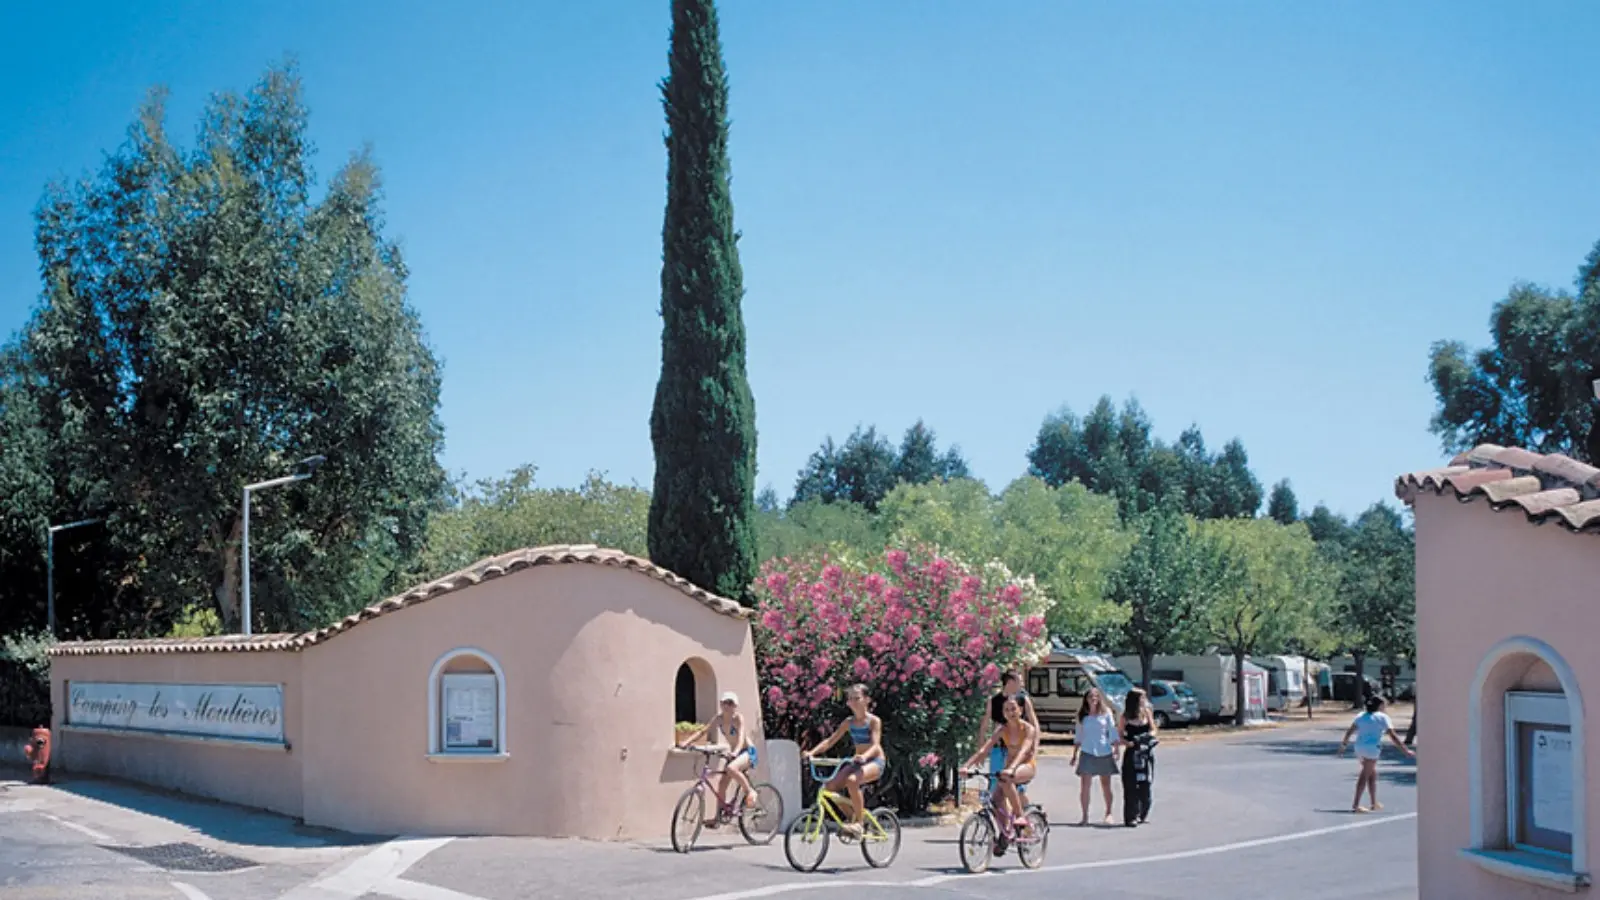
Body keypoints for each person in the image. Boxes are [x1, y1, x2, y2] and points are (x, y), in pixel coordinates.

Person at [801, 683, 885, 838]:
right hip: (857, 762)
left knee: (852, 781)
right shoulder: (849, 722)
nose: (853, 702)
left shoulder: (873, 721)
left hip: (874, 761)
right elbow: (830, 741)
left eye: (857, 698)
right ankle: (852, 817)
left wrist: (864, 757)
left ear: (867, 700)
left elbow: (875, 745)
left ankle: (859, 824)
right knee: (829, 788)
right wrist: (811, 753)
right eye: (850, 699)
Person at [962, 694, 1040, 847]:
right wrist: (966, 766)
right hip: (1008, 769)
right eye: (1006, 710)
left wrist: (1011, 768)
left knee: (1006, 779)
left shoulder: (1028, 729)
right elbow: (984, 750)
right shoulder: (1002, 729)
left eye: (1013, 709)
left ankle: (1020, 817)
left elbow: (1023, 751)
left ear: (1020, 710)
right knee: (995, 800)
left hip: (1025, 766)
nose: (1010, 712)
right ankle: (1005, 833)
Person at [676, 691, 760, 826]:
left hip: (747, 752)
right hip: (734, 753)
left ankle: (750, 791)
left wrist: (736, 752)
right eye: (725, 703)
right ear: (721, 704)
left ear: (735, 706)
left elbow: (740, 737)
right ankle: (717, 818)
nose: (727, 706)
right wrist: (687, 742)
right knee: (721, 784)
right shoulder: (719, 719)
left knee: (731, 768)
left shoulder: (738, 718)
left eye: (731, 703)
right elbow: (703, 731)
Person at [1338, 695, 1414, 812]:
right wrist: (1405, 750)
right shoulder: (1383, 717)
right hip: (1372, 749)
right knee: (1365, 775)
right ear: (1380, 706)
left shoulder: (1361, 715)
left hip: (1359, 747)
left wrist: (1344, 745)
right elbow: (1393, 736)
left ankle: (1374, 802)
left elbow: (1350, 731)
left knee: (1371, 773)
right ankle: (1356, 805)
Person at [974, 670, 1040, 792]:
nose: (1022, 684)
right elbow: (985, 725)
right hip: (999, 747)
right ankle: (1001, 810)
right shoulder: (994, 701)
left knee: (1017, 786)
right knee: (996, 782)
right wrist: (981, 748)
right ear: (1010, 682)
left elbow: (1034, 723)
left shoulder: (1023, 699)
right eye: (1019, 681)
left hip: (1019, 747)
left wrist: (1035, 748)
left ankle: (1019, 810)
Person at [1070, 688, 1120, 825]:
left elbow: (1112, 730)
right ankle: (1085, 816)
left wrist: (1116, 748)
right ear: (1086, 699)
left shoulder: (1106, 713)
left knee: (1106, 784)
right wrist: (1074, 754)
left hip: (1104, 750)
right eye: (1090, 696)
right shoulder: (1082, 716)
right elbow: (1078, 735)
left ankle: (1109, 813)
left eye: (1096, 696)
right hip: (1087, 751)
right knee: (1085, 785)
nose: (1093, 699)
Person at [1118, 687, 1158, 827]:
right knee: (1130, 786)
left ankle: (1143, 812)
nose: (1144, 701)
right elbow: (1119, 734)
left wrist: (1146, 737)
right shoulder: (1125, 717)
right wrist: (1127, 743)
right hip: (1131, 752)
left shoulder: (1147, 713)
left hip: (1145, 752)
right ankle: (1131, 817)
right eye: (1142, 698)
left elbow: (1153, 730)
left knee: (1145, 785)